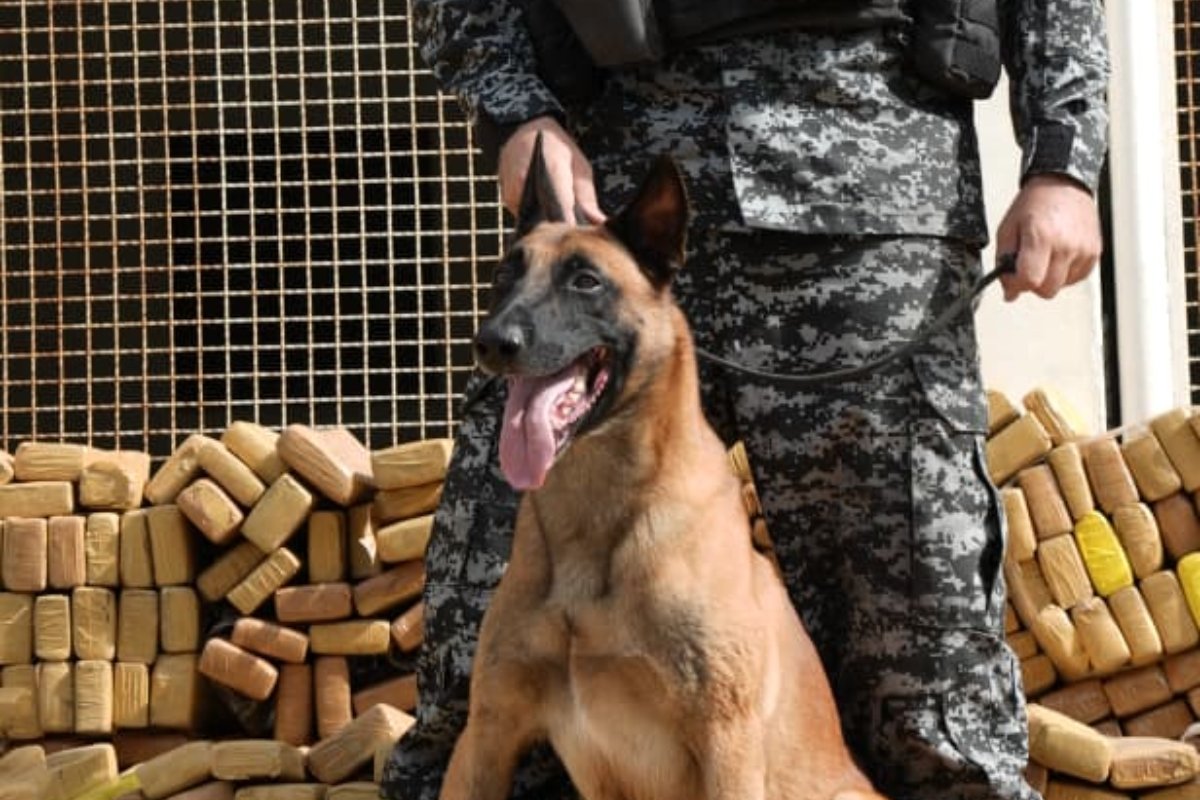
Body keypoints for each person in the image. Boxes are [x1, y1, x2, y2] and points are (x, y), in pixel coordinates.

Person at [381, 0, 1108, 797]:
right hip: (610, 207)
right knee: (475, 677)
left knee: (926, 700)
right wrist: (516, 108)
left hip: (864, 193)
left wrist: (1062, 158)